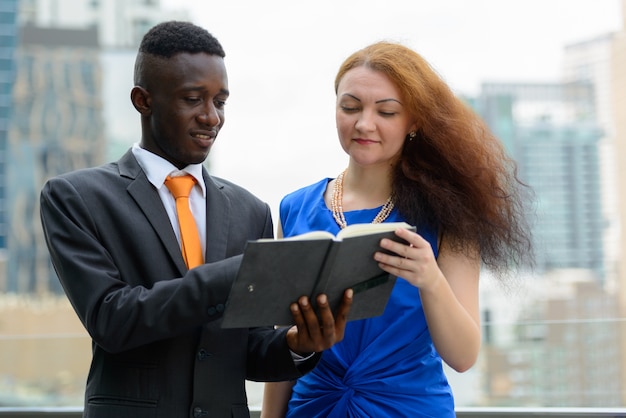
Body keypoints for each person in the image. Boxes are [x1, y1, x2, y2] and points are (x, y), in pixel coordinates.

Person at [39, 21, 352, 418]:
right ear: (143, 100)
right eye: (193, 99)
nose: (211, 117)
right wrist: (240, 272)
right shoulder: (76, 197)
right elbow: (111, 321)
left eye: (219, 101)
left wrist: (299, 343)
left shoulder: (251, 210)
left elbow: (249, 351)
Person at [261, 41, 533, 417]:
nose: (364, 124)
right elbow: (286, 346)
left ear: (415, 122)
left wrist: (430, 279)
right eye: (350, 107)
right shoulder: (295, 208)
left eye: (386, 111)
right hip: (312, 407)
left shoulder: (448, 214)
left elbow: (464, 355)